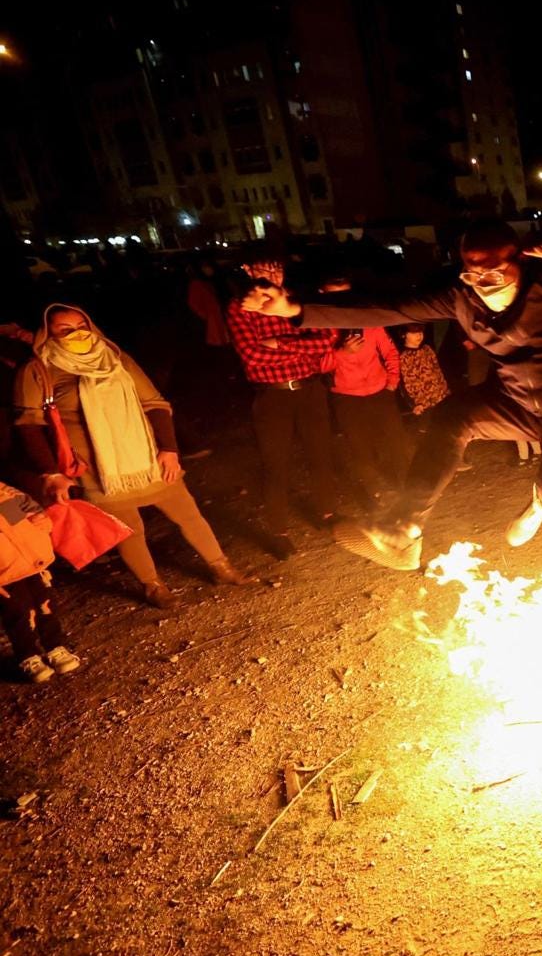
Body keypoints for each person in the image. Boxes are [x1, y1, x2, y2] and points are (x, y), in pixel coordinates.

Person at [240, 222, 542, 570]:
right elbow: (386, 306)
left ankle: (538, 507)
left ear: (520, 260)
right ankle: (405, 527)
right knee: (452, 417)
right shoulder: (462, 297)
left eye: (494, 273)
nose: (483, 285)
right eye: (472, 273)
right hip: (514, 404)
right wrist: (294, 308)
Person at [13, 305, 253, 608]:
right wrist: (52, 473)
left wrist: (169, 449)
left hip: (145, 458)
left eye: (81, 325)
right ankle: (153, 586)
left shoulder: (115, 358)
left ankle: (222, 568)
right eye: (65, 329)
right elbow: (29, 424)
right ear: (47, 333)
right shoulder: (38, 370)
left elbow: (154, 403)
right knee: (129, 531)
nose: (77, 333)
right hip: (97, 469)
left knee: (188, 514)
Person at [226, 260, 341, 557]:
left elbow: (327, 341)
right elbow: (252, 357)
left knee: (321, 455)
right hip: (273, 396)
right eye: (263, 272)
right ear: (250, 273)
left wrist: (277, 343)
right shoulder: (240, 309)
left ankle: (328, 513)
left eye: (276, 271)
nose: (272, 277)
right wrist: (301, 348)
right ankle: (279, 531)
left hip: (310, 389)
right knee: (275, 464)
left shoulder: (297, 302)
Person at [0, 478, 81, 683]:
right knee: (17, 613)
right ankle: (28, 656)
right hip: (4, 573)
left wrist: (40, 520)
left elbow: (26, 510)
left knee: (46, 605)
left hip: (31, 562)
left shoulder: (3, 493)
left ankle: (55, 647)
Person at [323, 327, 407, 506]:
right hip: (347, 396)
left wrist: (392, 381)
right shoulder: (326, 328)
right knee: (360, 447)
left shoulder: (370, 323)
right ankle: (377, 492)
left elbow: (390, 352)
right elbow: (321, 365)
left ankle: (409, 485)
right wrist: (342, 352)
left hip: (380, 390)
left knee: (396, 440)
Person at [395, 323, 450, 425]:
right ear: (404, 335)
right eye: (414, 332)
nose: (419, 335)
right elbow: (403, 383)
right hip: (424, 404)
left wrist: (445, 390)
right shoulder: (404, 357)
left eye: (420, 332)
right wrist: (413, 404)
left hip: (441, 397)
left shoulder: (427, 349)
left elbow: (438, 370)